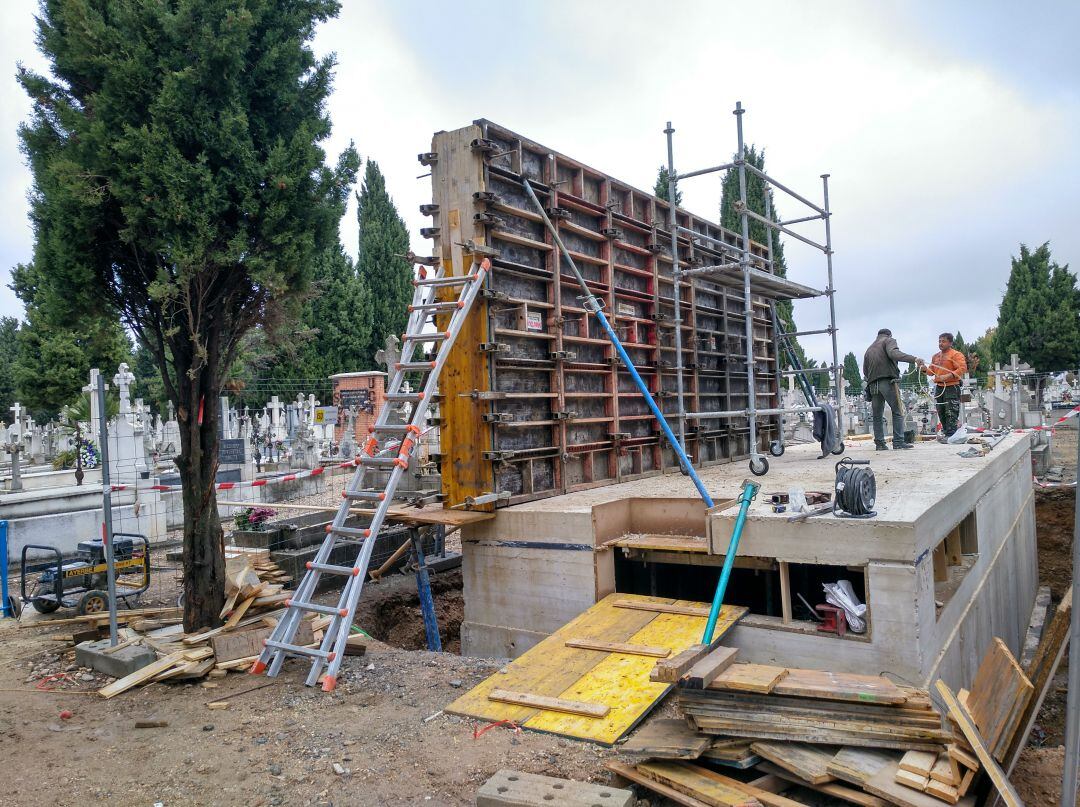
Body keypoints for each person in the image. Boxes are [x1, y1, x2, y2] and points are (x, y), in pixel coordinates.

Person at [862, 329, 925, 450]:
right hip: (887, 381)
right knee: (897, 411)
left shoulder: (869, 349)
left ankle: (880, 444)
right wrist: (914, 359)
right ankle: (898, 441)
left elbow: (865, 371)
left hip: (873, 384)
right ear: (889, 335)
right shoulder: (889, 340)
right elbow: (893, 354)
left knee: (877, 415)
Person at [929, 332, 968, 439]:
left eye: (943, 341)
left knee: (951, 411)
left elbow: (962, 368)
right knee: (940, 410)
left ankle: (951, 435)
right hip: (939, 387)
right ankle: (947, 433)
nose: (941, 343)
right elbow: (930, 372)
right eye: (939, 341)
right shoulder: (935, 357)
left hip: (952, 386)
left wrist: (948, 376)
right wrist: (922, 368)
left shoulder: (956, 355)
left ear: (950, 343)